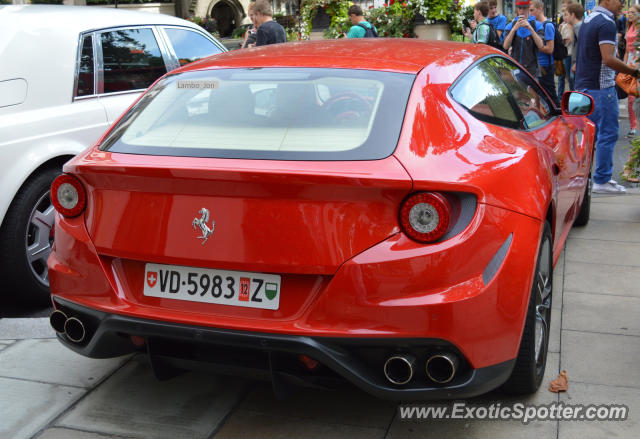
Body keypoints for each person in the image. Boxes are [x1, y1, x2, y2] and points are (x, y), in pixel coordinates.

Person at [574, 0, 640, 193]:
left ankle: (586, 181)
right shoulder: (607, 23)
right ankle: (602, 180)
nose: (622, 5)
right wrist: (634, 72)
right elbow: (609, 59)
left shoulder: (589, 19)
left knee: (588, 138)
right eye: (619, 1)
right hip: (602, 90)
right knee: (607, 135)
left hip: (584, 89)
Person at [503, 0, 546, 78]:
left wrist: (530, 28)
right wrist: (514, 29)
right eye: (520, 8)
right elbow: (505, 46)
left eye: (525, 8)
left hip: (532, 71)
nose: (522, 11)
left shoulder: (537, 25)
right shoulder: (510, 25)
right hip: (515, 69)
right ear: (517, 9)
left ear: (528, 8)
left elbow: (541, 45)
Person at [530, 0, 560, 106]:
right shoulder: (536, 25)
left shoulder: (547, 25)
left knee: (550, 97)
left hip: (545, 67)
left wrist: (534, 46)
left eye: (532, 10)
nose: (530, 13)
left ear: (540, 9)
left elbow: (550, 49)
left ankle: (559, 118)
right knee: (539, 96)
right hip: (537, 66)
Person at [624, 5, 640, 138]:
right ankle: (633, 126)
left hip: (638, 62)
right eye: (629, 12)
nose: (630, 15)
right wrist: (623, 66)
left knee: (636, 97)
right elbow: (626, 50)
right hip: (630, 62)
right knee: (630, 97)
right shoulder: (629, 27)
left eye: (633, 13)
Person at [557, 10, 574, 95]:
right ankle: (560, 97)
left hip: (572, 54)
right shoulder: (563, 26)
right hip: (564, 54)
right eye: (564, 15)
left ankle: (572, 95)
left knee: (571, 77)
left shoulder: (575, 26)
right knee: (561, 77)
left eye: (566, 15)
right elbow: (560, 42)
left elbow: (574, 40)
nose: (565, 17)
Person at [565, 2, 584, 74]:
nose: (566, 17)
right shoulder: (579, 26)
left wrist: (576, 64)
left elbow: (583, 47)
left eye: (567, 14)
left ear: (572, 15)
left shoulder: (578, 27)